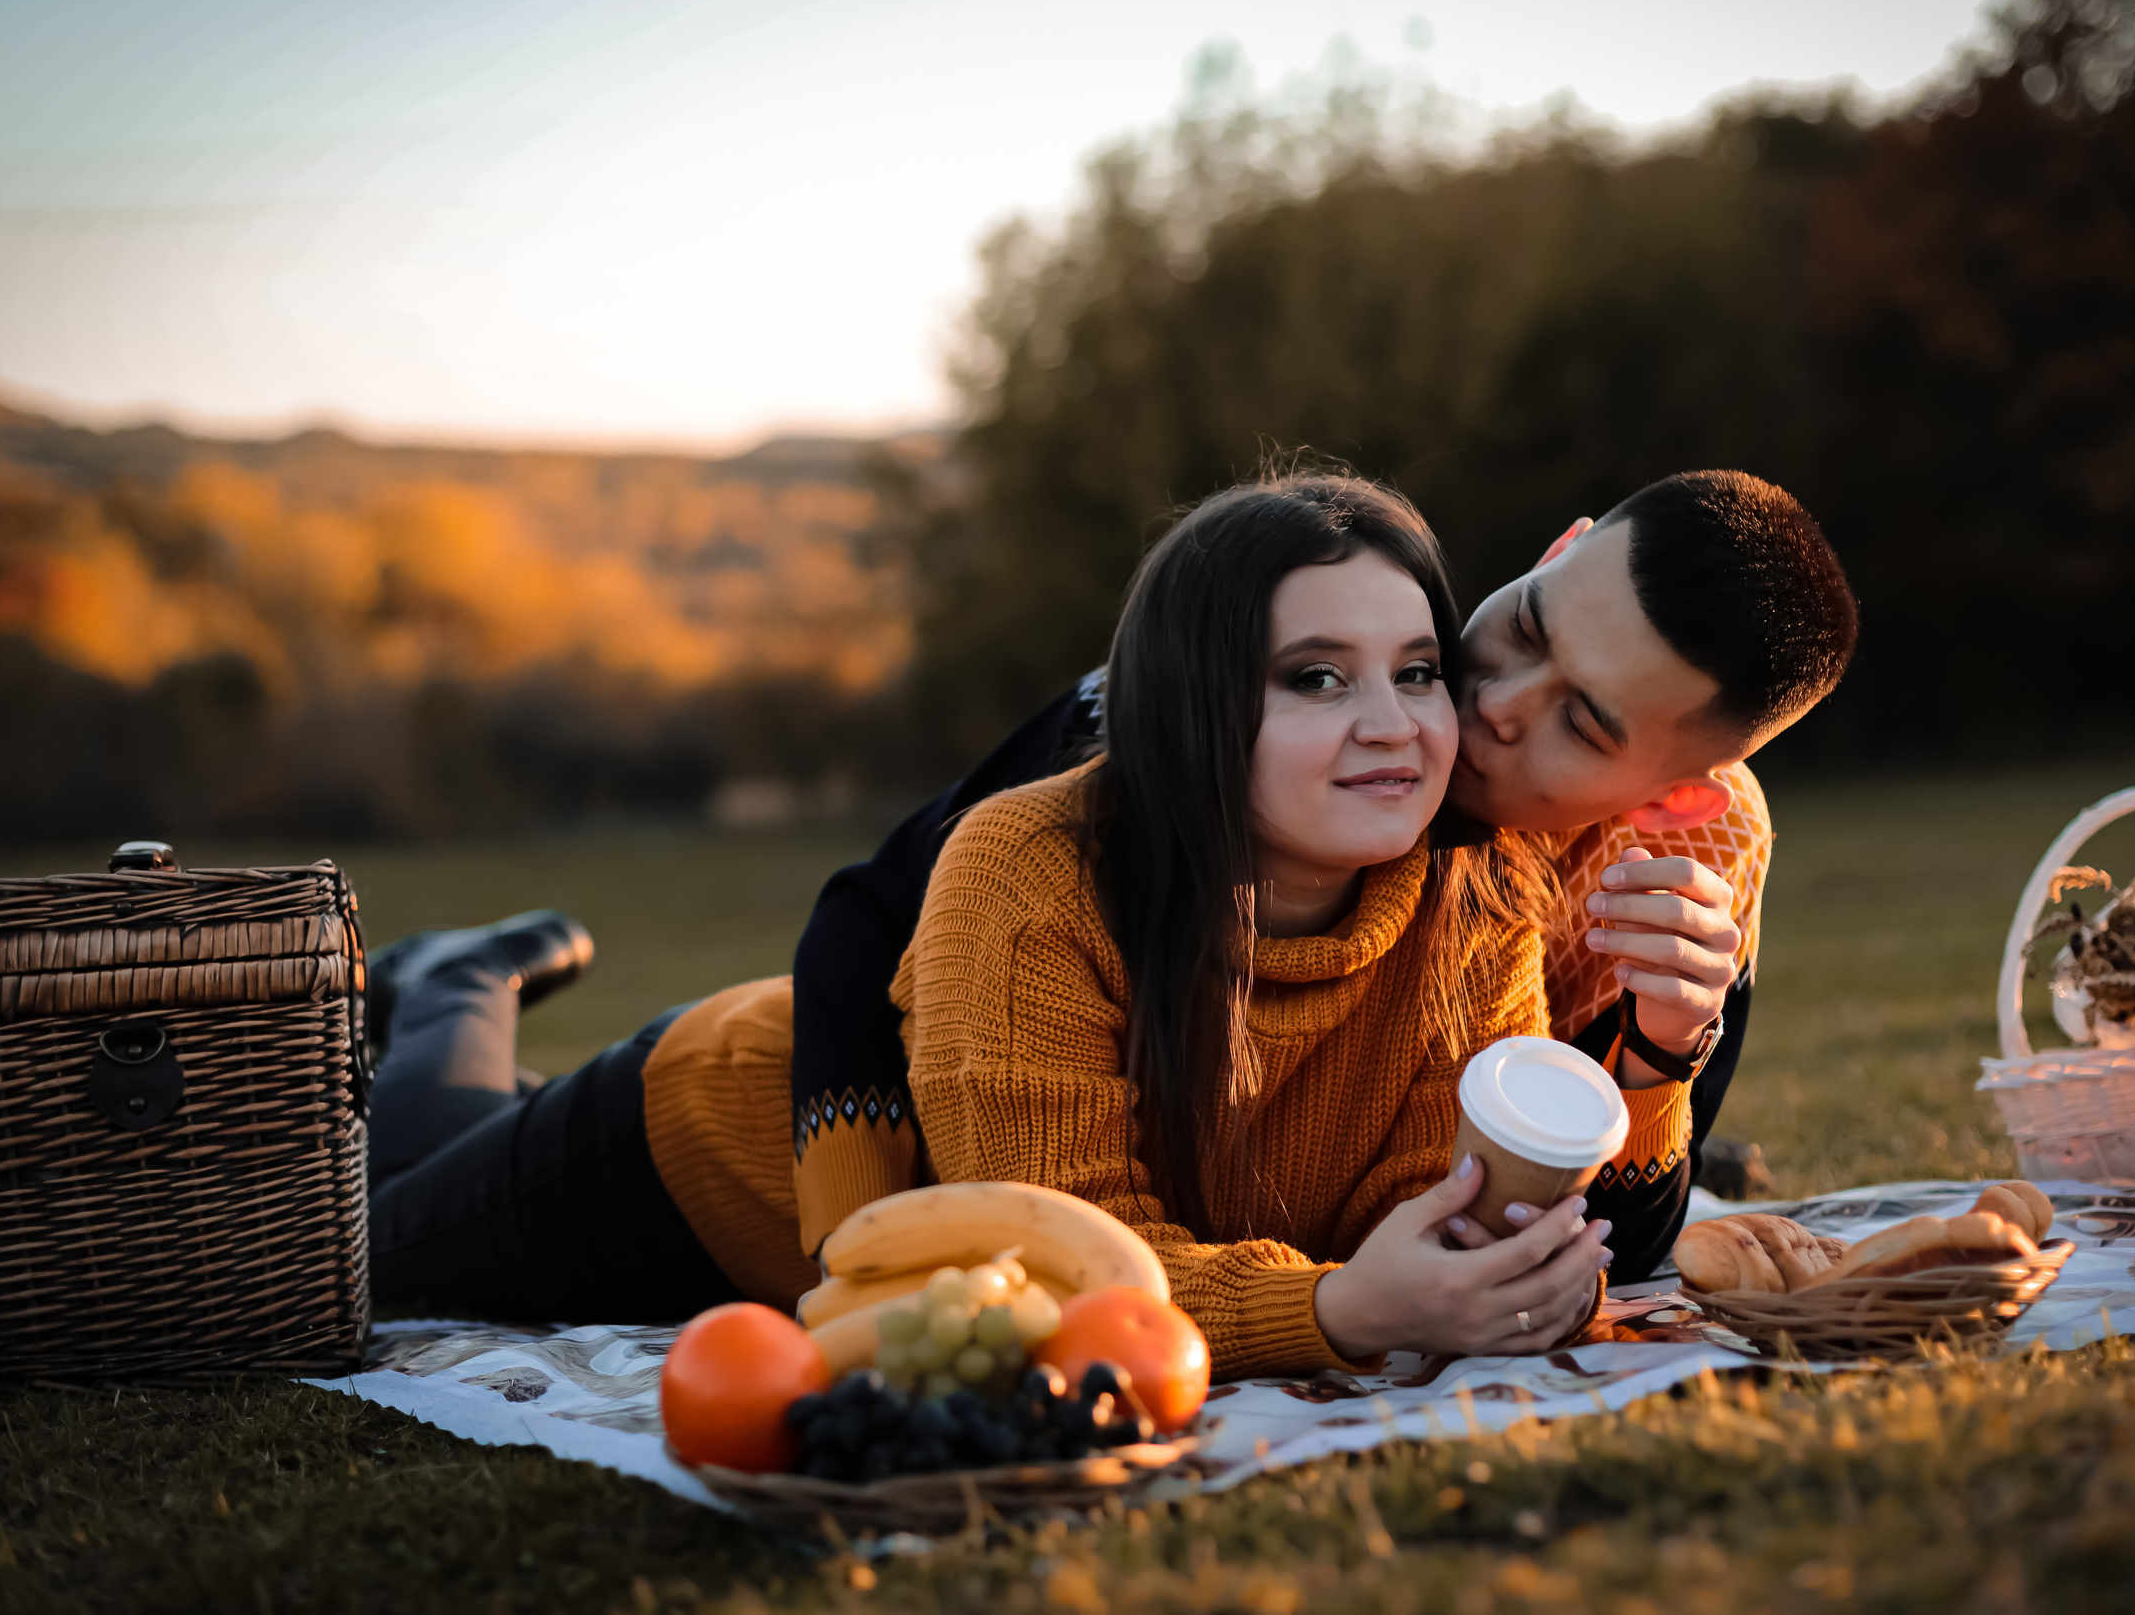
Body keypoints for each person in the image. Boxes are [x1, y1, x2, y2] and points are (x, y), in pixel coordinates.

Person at [369, 472, 1643, 1375]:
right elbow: (1058, 1270)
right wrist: (1342, 1314)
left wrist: (1495, 1252)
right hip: (698, 1150)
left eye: (1416, 671)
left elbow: (1427, 1205)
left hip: (893, 1188)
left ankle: (453, 988)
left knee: (432, 1139)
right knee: (367, 1238)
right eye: (1314, 677)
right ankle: (455, 984)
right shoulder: (1034, 868)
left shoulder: (1476, 891)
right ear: (1193, 707)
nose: (1393, 724)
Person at [786, 468, 1857, 1285]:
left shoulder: (1680, 870)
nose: (1494, 702)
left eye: (1578, 723)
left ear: (1670, 797)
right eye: (1525, 622)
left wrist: (1661, 1051)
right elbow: (864, 922)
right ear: (1558, 548)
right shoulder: (1225, 710)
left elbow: (1601, 1247)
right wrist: (857, 1245)